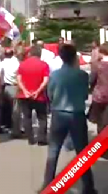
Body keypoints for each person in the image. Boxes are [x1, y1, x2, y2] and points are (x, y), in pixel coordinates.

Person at [42, 44, 97, 194]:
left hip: (59, 113)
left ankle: (48, 184)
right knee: (82, 152)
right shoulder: (82, 75)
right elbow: (85, 95)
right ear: (74, 57)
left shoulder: (55, 75)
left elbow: (50, 95)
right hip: (77, 114)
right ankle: (88, 186)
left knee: (53, 151)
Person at [17, 46, 49, 146]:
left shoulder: (22, 65)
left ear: (30, 53)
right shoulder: (44, 65)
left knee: (27, 117)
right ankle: (41, 139)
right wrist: (38, 91)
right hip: (39, 96)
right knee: (42, 117)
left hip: (24, 95)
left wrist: (25, 91)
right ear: (40, 54)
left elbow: (19, 79)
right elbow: (46, 80)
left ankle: (30, 138)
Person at [1, 46, 24, 138]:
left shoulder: (3, 63)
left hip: (5, 87)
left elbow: (0, 74)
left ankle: (7, 127)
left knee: (6, 109)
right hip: (14, 86)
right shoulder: (17, 63)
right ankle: (16, 131)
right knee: (16, 111)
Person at [90, 43, 108, 134]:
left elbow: (92, 80)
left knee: (100, 122)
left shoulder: (97, 65)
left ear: (101, 52)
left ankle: (101, 144)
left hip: (100, 96)